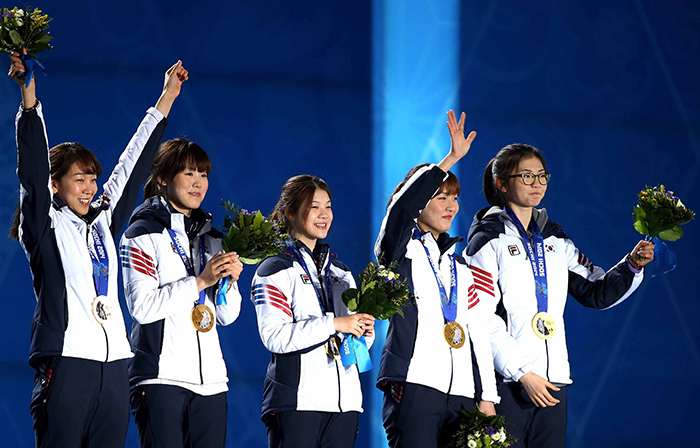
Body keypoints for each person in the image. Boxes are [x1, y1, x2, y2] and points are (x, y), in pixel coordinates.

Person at [9, 50, 187, 447]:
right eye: (78, 180)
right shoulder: (44, 225)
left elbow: (134, 163)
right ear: (57, 185)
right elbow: (34, 171)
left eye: (92, 179)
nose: (89, 187)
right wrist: (29, 97)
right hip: (68, 363)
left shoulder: (103, 219)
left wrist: (167, 99)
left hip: (115, 365)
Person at [463, 143, 655, 448]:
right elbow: (481, 318)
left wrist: (631, 266)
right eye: (526, 176)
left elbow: (596, 292)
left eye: (542, 176)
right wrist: (523, 372)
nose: (537, 184)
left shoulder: (554, 240)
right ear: (501, 183)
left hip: (553, 383)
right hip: (506, 382)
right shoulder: (487, 241)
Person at [374, 110, 500, 448]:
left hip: (462, 393)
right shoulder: (399, 251)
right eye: (441, 197)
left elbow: (477, 331)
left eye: (455, 197)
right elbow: (400, 210)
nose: (451, 206)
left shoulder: (460, 268)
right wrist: (450, 159)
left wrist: (486, 395)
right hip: (415, 384)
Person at [120, 138, 244, 448]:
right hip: (160, 378)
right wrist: (200, 281)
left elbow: (227, 316)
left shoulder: (214, 239)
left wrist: (229, 283)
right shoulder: (142, 233)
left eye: (203, 174)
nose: (198, 183)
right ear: (162, 178)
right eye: (189, 173)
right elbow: (143, 307)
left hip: (211, 382)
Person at [251, 175, 375, 448]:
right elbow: (276, 337)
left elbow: (355, 341)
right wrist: (335, 324)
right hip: (297, 404)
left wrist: (364, 329)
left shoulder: (340, 272)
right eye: (314, 206)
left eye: (328, 206)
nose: (324, 215)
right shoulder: (274, 269)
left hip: (345, 405)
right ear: (291, 212)